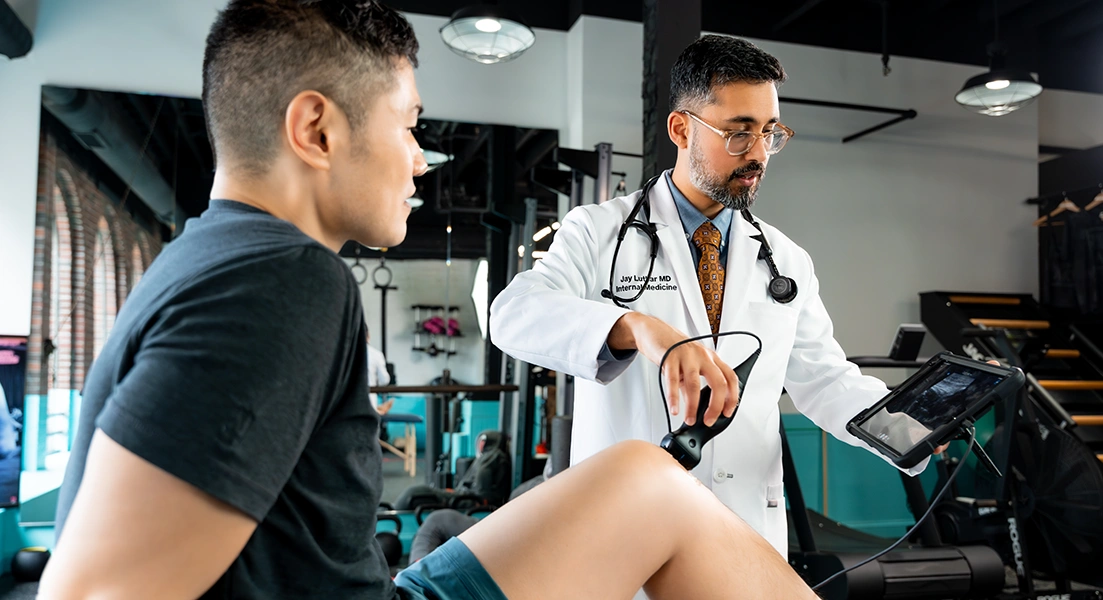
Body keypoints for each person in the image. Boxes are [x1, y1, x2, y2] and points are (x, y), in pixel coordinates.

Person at [39, 2, 822, 599]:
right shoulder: (278, 280)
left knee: (641, 479)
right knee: (650, 484)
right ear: (316, 128)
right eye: (409, 126)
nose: (419, 160)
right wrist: (636, 327)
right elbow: (97, 590)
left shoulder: (217, 256)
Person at [490, 34, 944, 563]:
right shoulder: (598, 231)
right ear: (682, 129)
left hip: (744, 522)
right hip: (628, 528)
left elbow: (823, 380)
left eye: (770, 133)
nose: (757, 154)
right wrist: (636, 328)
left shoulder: (785, 258)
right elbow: (514, 315)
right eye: (738, 133)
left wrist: (905, 429)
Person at [366, 327, 394, 415]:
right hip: (369, 396)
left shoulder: (345, 355)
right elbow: (384, 380)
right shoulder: (376, 354)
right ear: (368, 336)